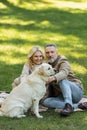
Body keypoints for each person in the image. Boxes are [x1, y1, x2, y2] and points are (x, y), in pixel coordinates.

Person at [43, 43, 87, 116]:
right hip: (63, 95)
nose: (50, 55)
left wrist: (53, 78)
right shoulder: (47, 65)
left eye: (52, 52)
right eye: (47, 53)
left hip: (76, 92)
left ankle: (68, 107)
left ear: (57, 52)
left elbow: (64, 73)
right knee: (46, 102)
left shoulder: (63, 60)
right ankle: (78, 106)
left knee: (62, 79)